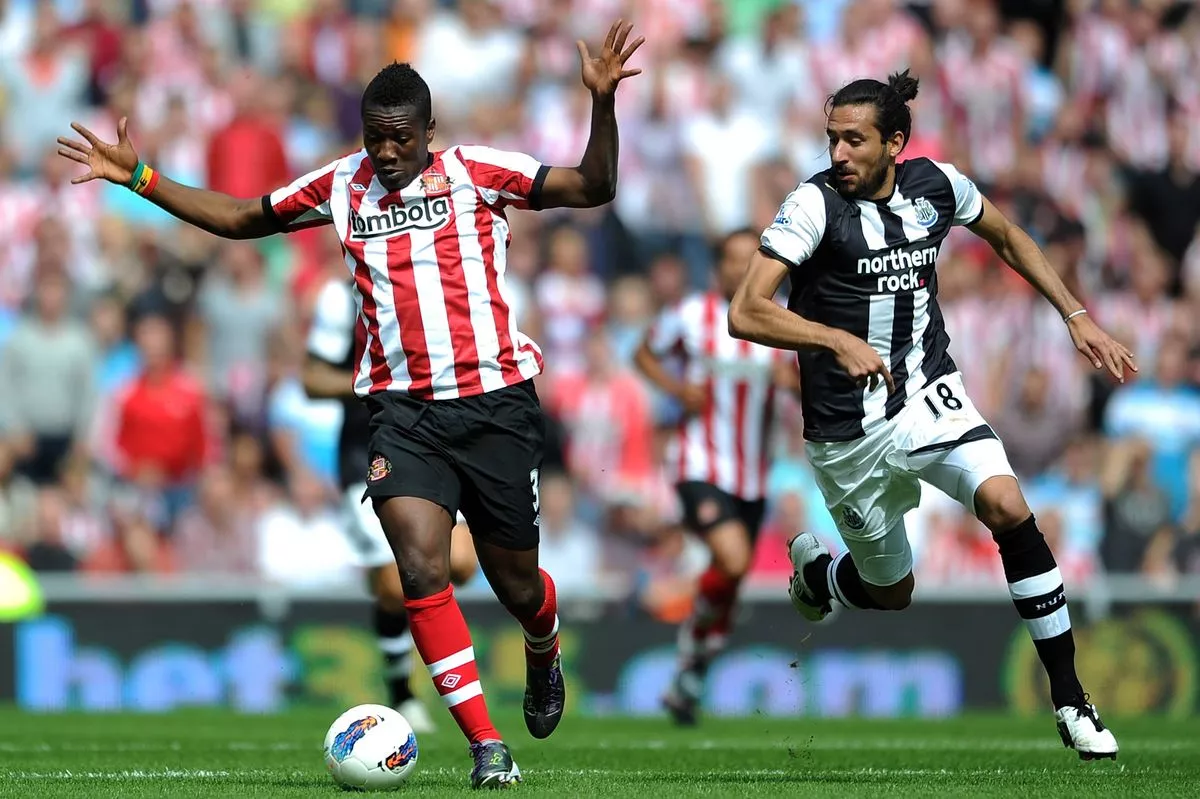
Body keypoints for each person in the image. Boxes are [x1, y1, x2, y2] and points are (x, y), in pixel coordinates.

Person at [57, 19, 645, 787]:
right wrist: (142, 177)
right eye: (376, 137)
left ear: (431, 131)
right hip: (402, 413)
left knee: (519, 585)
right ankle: (486, 746)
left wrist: (601, 105)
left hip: (497, 402)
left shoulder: (478, 170)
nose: (389, 152)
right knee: (420, 567)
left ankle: (543, 646)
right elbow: (241, 219)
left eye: (402, 138)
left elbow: (593, 185)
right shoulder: (341, 184)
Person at [728, 70, 1133, 760]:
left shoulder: (937, 186)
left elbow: (1006, 236)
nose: (838, 154)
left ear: (895, 143)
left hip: (926, 393)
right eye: (832, 139)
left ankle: (1070, 700)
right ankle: (821, 579)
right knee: (892, 591)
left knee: (1007, 504)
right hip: (846, 434)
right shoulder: (813, 205)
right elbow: (746, 309)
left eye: (854, 140)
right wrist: (833, 337)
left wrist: (1075, 314)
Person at [303, 275, 479, 733]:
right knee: (392, 579)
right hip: (366, 452)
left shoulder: (442, 284)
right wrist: (377, 384)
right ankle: (402, 690)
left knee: (460, 563)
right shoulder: (342, 297)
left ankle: (425, 667)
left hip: (433, 444)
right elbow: (313, 379)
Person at [634, 228, 795, 725]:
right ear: (717, 266)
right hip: (699, 461)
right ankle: (693, 651)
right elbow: (643, 353)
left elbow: (799, 382)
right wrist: (676, 390)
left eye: (751, 260)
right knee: (731, 555)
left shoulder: (782, 321)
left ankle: (691, 671)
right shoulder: (691, 315)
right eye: (731, 259)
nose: (739, 269)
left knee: (731, 576)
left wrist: (796, 383)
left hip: (753, 473)